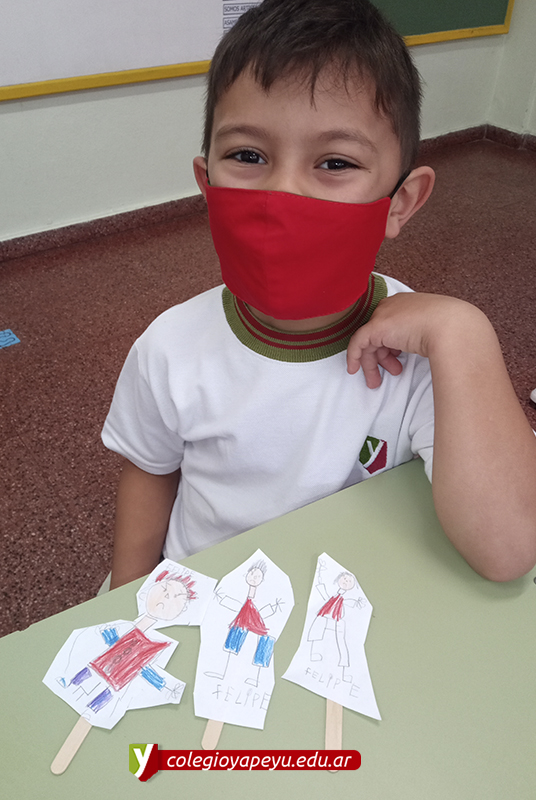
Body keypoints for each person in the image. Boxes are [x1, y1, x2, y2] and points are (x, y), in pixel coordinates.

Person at [102, 0, 536, 589]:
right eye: (248, 156)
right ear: (207, 184)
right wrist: (126, 598)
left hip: (342, 609)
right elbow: (151, 472)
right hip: (205, 600)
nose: (285, 194)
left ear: (400, 203)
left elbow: (507, 549)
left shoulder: (423, 356)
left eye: (334, 162)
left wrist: (463, 330)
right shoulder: (170, 347)